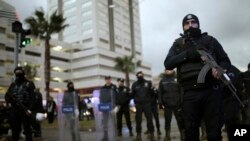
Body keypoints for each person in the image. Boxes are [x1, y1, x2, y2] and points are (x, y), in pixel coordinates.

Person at [164, 14, 231, 141]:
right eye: (187, 23)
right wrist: (187, 55)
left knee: (214, 131)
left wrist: (220, 69)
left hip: (211, 90)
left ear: (198, 24)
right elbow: (168, 63)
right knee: (190, 131)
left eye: (193, 22)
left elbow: (225, 60)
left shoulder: (210, 40)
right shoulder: (178, 44)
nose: (190, 25)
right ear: (183, 27)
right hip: (189, 93)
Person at [5, 66, 36, 141]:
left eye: (20, 72)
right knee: (15, 130)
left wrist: (29, 109)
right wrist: (10, 100)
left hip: (25, 109)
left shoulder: (29, 83)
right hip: (14, 110)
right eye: (17, 72)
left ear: (23, 73)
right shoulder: (13, 85)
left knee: (27, 129)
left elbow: (33, 97)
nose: (18, 74)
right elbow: (7, 95)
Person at [158, 69, 185, 141]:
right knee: (167, 121)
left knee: (180, 121)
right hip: (167, 105)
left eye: (170, 70)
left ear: (173, 71)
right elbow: (160, 93)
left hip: (177, 104)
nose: (168, 71)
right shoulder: (162, 81)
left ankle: (183, 136)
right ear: (165, 71)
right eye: (167, 70)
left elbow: (181, 91)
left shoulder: (178, 79)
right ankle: (167, 136)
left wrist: (182, 103)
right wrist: (160, 103)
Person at [131, 71, 155, 141]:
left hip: (147, 104)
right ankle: (138, 135)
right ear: (137, 76)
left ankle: (152, 134)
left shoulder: (148, 83)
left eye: (141, 75)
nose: (140, 76)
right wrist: (133, 103)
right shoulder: (134, 84)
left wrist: (150, 101)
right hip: (138, 105)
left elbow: (152, 93)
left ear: (143, 75)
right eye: (138, 75)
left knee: (149, 119)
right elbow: (132, 95)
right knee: (138, 120)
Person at [222, 65, 243, 140]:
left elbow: (238, 86)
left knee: (231, 120)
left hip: (231, 99)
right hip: (230, 100)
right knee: (232, 120)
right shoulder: (234, 69)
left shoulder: (232, 70)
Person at [99, 76, 118, 141]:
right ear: (105, 80)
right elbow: (100, 97)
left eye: (109, 79)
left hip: (112, 107)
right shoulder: (102, 88)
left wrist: (116, 106)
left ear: (110, 79)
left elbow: (117, 96)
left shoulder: (114, 87)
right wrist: (101, 106)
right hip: (105, 108)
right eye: (106, 79)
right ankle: (105, 136)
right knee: (105, 123)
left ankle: (114, 136)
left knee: (113, 122)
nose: (108, 80)